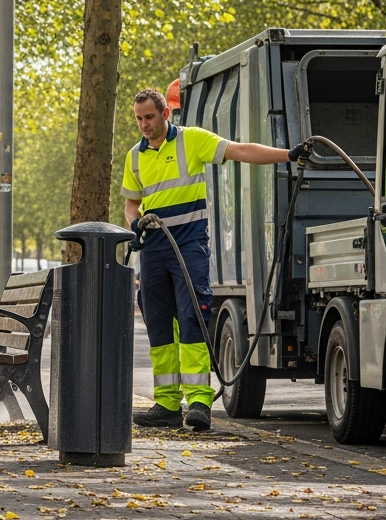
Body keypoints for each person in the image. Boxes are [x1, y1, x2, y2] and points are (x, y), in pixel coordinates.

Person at [123, 87, 308, 431]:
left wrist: (288, 155)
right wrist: (134, 224)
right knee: (159, 324)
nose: (144, 125)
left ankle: (198, 403)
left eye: (149, 117)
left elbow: (240, 150)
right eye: (138, 119)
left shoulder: (191, 141)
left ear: (165, 114)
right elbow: (131, 203)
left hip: (189, 245)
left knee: (192, 319)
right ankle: (165, 403)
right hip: (153, 250)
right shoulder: (135, 156)